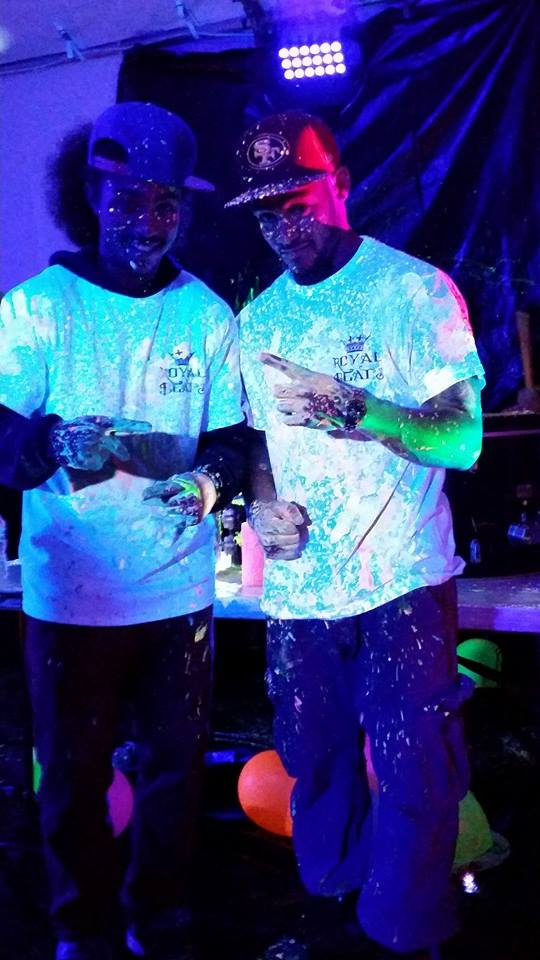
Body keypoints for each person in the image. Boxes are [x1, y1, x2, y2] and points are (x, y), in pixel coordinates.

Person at [225, 110, 485, 960]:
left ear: (339, 183)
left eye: (298, 204)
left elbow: (462, 437)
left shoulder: (412, 292)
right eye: (266, 215)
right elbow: (261, 446)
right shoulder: (259, 321)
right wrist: (265, 506)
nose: (284, 228)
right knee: (315, 761)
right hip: (304, 590)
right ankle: (335, 913)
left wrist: (359, 409)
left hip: (400, 575)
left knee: (414, 767)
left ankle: (406, 933)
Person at [0, 101, 246, 960]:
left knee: (176, 772)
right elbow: (2, 435)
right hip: (71, 597)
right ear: (90, 196)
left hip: (178, 595)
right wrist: (45, 441)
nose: (148, 220)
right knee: (72, 774)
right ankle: (81, 926)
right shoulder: (36, 309)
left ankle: (159, 919)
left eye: (165, 202)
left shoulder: (206, 316)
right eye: (128, 199)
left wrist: (209, 486)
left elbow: (231, 443)